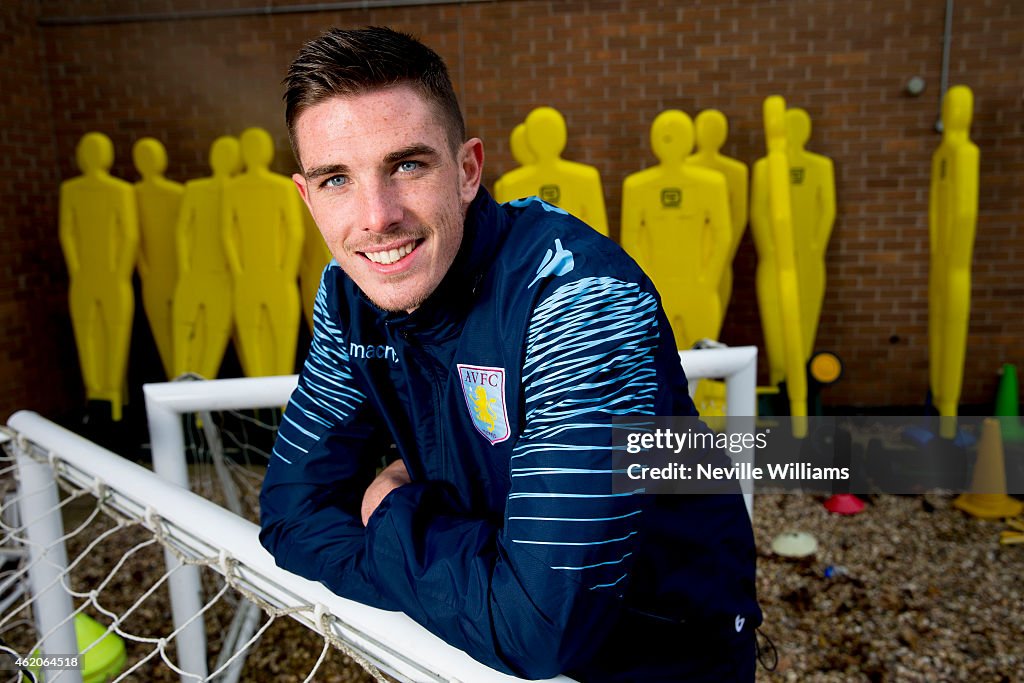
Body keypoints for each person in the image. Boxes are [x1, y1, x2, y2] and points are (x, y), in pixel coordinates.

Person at [259, 26, 761, 681]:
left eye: (406, 164)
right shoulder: (349, 294)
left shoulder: (578, 297)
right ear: (305, 196)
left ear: (468, 170)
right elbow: (289, 516)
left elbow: (543, 629)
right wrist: (476, 585)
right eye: (336, 180)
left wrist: (390, 511)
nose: (376, 216)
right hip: (473, 650)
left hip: (657, 655)